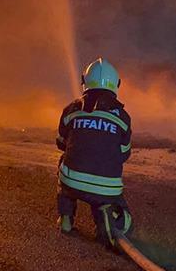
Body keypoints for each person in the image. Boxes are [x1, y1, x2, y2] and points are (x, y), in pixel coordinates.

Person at [56, 58, 133, 248]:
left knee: (63, 163)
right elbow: (124, 153)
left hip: (71, 182)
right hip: (106, 188)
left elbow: (61, 143)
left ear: (85, 81)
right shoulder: (123, 117)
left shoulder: (71, 109)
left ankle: (65, 218)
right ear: (116, 84)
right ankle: (108, 218)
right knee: (126, 219)